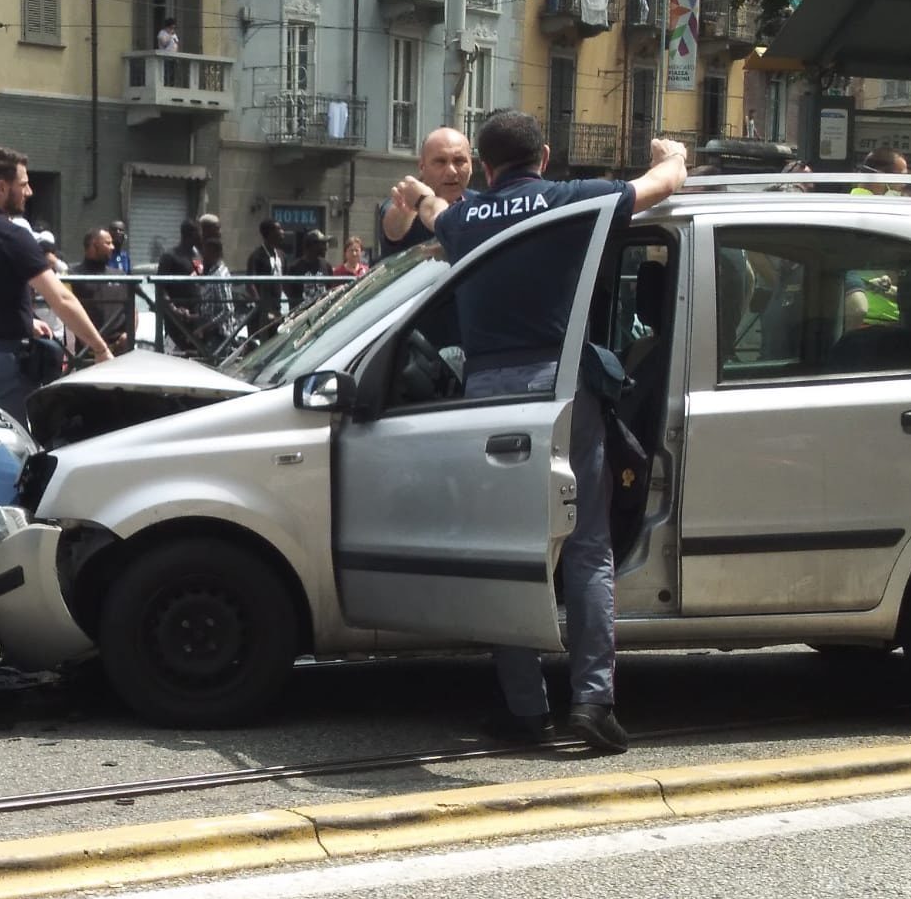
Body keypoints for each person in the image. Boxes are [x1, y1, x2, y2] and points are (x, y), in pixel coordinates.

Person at [392, 108, 689, 753]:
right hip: (560, 390)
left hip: (489, 400)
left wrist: (415, 192)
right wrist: (672, 153)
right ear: (545, 157)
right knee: (586, 547)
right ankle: (592, 704)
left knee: (508, 551)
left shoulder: (467, 217)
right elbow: (662, 184)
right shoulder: (571, 200)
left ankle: (525, 709)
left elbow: (432, 213)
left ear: (484, 166)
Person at [0, 146, 113, 422]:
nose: (29, 192)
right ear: (1, 187)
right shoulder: (11, 234)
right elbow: (61, 299)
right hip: (3, 365)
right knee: (16, 442)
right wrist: (100, 348)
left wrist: (27, 321)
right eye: (23, 184)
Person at [379, 127, 476, 258]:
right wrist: (415, 205)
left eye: (459, 161)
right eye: (440, 162)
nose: (451, 172)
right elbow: (393, 230)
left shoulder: (481, 204)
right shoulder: (405, 202)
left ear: (471, 166)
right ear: (422, 167)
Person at [71, 226, 135, 355]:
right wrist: (89, 342)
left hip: (120, 350)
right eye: (108, 243)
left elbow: (132, 310)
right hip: (88, 351)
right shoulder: (73, 275)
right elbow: (68, 311)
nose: (112, 247)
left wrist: (129, 334)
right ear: (94, 245)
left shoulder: (120, 275)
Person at [156, 219, 202, 351]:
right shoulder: (169, 256)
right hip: (176, 318)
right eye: (199, 233)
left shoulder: (198, 255)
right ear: (191, 234)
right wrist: (174, 309)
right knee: (175, 354)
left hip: (195, 315)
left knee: (196, 353)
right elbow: (160, 287)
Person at [245, 218, 287, 340]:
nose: (282, 232)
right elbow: (250, 283)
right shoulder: (256, 256)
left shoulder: (282, 255)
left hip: (279, 308)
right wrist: (261, 306)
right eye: (278, 229)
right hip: (263, 311)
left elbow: (286, 280)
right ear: (269, 233)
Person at [286, 229, 332, 309]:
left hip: (323, 311)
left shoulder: (326, 265)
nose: (325, 247)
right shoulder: (295, 268)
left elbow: (329, 289)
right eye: (322, 244)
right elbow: (291, 295)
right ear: (312, 246)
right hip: (303, 312)